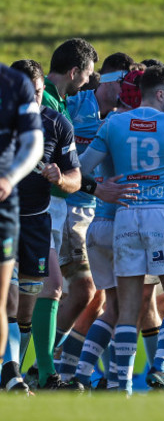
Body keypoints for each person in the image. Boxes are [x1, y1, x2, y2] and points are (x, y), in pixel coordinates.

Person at [79, 64, 164, 396]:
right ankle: (163, 367)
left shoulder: (114, 123)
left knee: (127, 309)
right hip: (163, 215)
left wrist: (98, 188)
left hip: (125, 215)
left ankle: (119, 384)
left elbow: (81, 167)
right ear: (160, 93)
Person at [0, 59, 80, 393]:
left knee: (32, 299)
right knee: (10, 297)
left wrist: (61, 178)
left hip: (37, 219)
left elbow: (76, 178)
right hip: (6, 217)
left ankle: (26, 371)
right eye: (25, 94)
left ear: (42, 90)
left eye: (36, 93)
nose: (32, 101)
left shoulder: (57, 123)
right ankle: (12, 373)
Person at [57, 52, 135, 383]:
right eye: (123, 83)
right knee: (85, 289)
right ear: (107, 80)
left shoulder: (120, 119)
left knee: (100, 298)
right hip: (66, 207)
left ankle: (67, 367)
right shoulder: (75, 104)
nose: (126, 90)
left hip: (95, 212)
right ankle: (44, 362)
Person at [27, 38, 97, 390]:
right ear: (73, 71)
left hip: (48, 210)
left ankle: (34, 374)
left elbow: (72, 173)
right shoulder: (46, 109)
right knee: (43, 289)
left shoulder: (59, 111)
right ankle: (35, 373)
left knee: (43, 289)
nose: (87, 82)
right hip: (34, 211)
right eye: (86, 75)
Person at [0, 62, 44, 390]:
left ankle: (8, 373)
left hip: (4, 203)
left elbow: (33, 145)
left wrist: (10, 177)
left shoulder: (16, 84)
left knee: (3, 300)